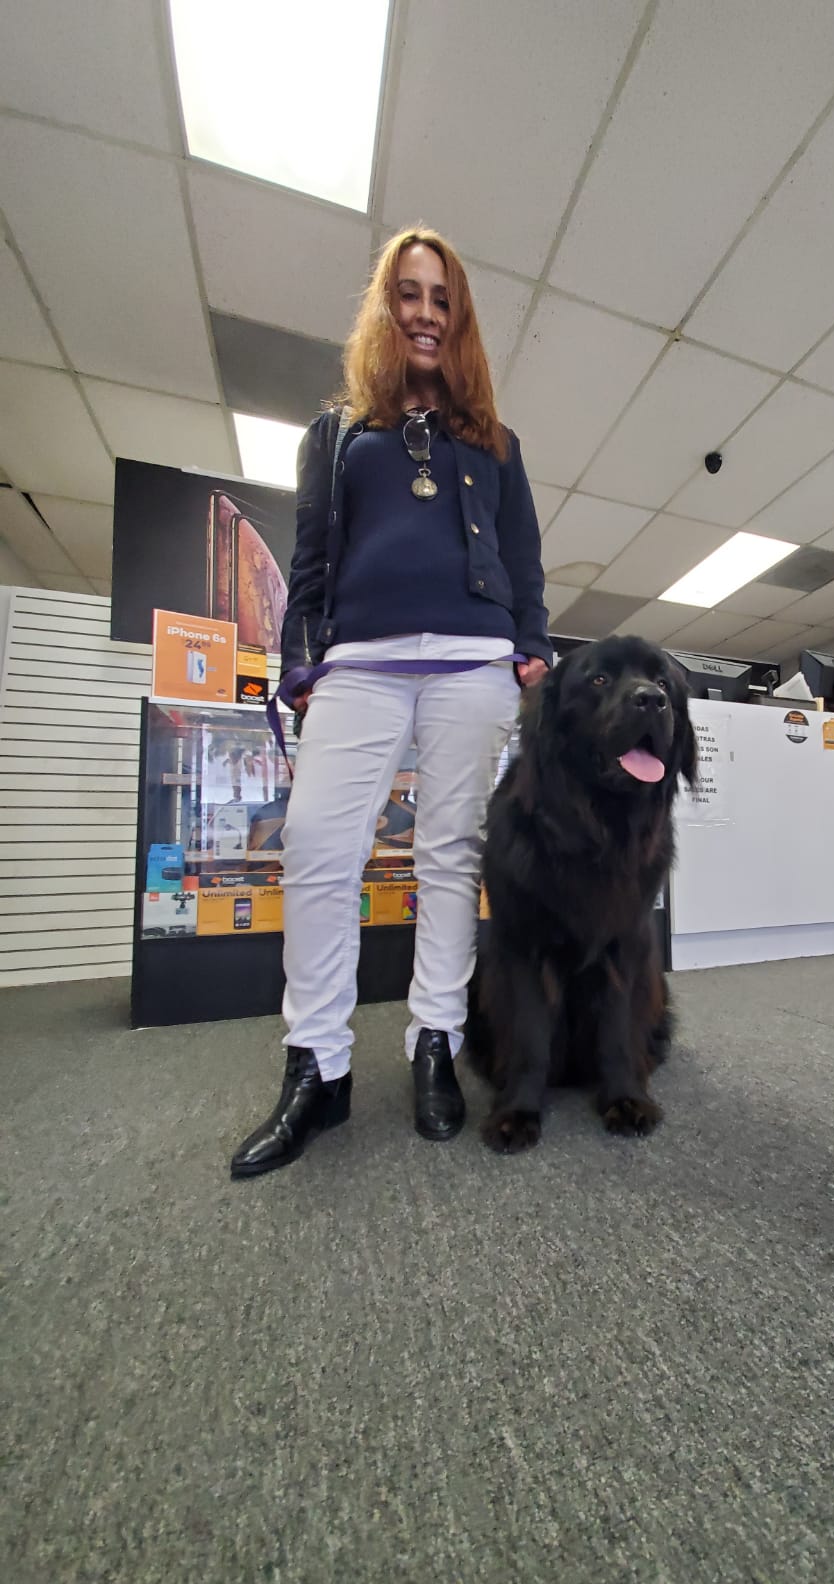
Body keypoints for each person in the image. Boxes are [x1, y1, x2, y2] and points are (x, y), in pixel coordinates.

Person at [230, 227, 551, 1180]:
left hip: (473, 661)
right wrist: (302, 664)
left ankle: (434, 1043)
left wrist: (532, 646)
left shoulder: (496, 444)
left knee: (449, 856)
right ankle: (317, 1066)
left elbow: (526, 562)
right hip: (360, 662)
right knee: (316, 847)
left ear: (460, 320)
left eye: (441, 298)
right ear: (385, 307)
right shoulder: (337, 435)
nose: (425, 312)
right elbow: (311, 562)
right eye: (409, 293)